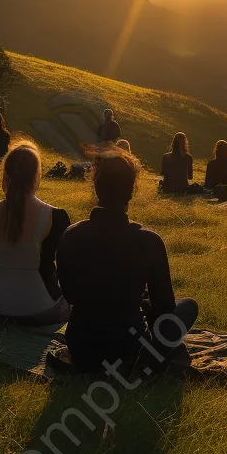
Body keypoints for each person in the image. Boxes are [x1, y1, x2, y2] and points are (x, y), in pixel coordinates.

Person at [56, 150, 198, 372]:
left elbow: (70, 295)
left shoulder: (71, 235)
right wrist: (138, 303)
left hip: (81, 346)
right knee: (188, 307)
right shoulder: (149, 241)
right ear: (131, 192)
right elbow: (165, 309)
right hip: (128, 349)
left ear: (96, 187)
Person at [0, 140, 72, 322]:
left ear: (6, 173)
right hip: (39, 308)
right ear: (36, 175)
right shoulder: (55, 216)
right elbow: (64, 269)